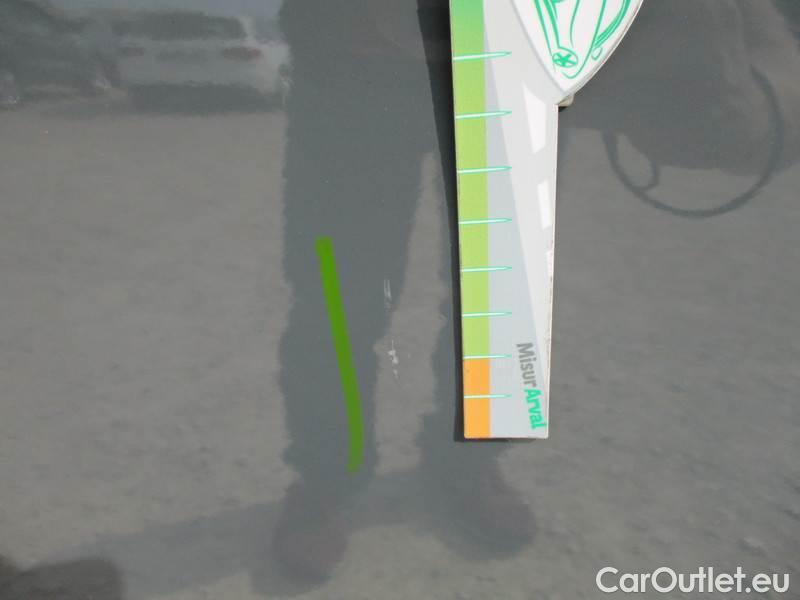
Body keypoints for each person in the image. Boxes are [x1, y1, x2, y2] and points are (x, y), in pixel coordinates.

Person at [273, 0, 534, 582]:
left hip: (506, 57)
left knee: (504, 296)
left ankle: (471, 459)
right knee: (337, 300)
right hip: (350, 58)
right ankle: (328, 477)